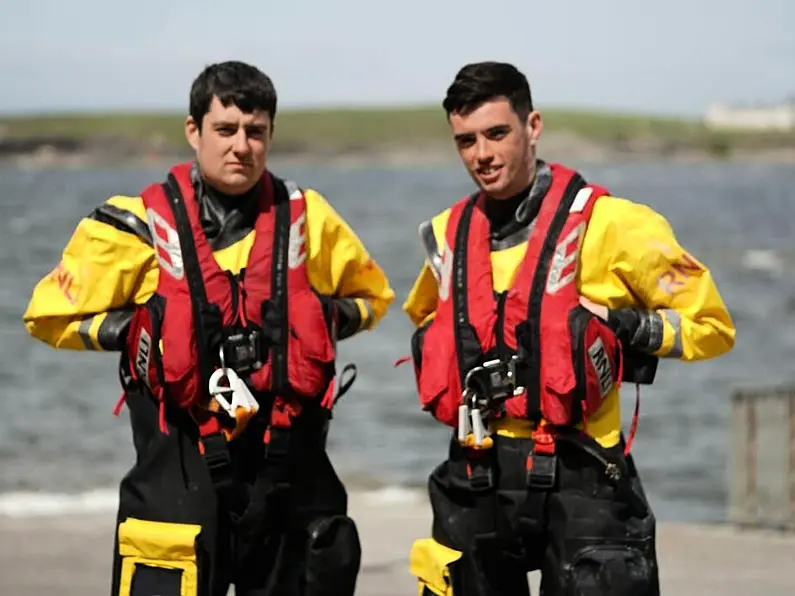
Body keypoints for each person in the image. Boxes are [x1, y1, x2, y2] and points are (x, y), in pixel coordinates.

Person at [22, 60, 394, 596]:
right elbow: (46, 315)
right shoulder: (133, 225)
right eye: (225, 130)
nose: (241, 146)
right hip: (179, 471)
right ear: (194, 131)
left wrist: (324, 317)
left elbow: (373, 297)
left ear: (269, 136)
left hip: (288, 472)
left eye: (255, 132)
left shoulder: (309, 219)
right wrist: (133, 331)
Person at [402, 61, 735, 595]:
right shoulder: (447, 234)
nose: (482, 155)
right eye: (466, 141)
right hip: (479, 468)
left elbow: (712, 326)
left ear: (532, 126)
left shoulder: (615, 224)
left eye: (497, 134)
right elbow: (425, 318)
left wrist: (625, 326)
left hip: (583, 469)